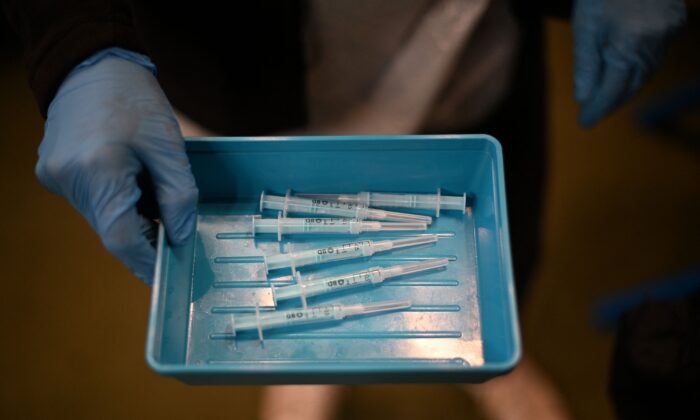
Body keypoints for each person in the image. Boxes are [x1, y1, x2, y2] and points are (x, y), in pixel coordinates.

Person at [2, 1, 686, 419]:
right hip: (230, 58)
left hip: (453, 40)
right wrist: (78, 41)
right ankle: (311, 371)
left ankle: (489, 363)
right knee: (272, 253)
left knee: (495, 254)